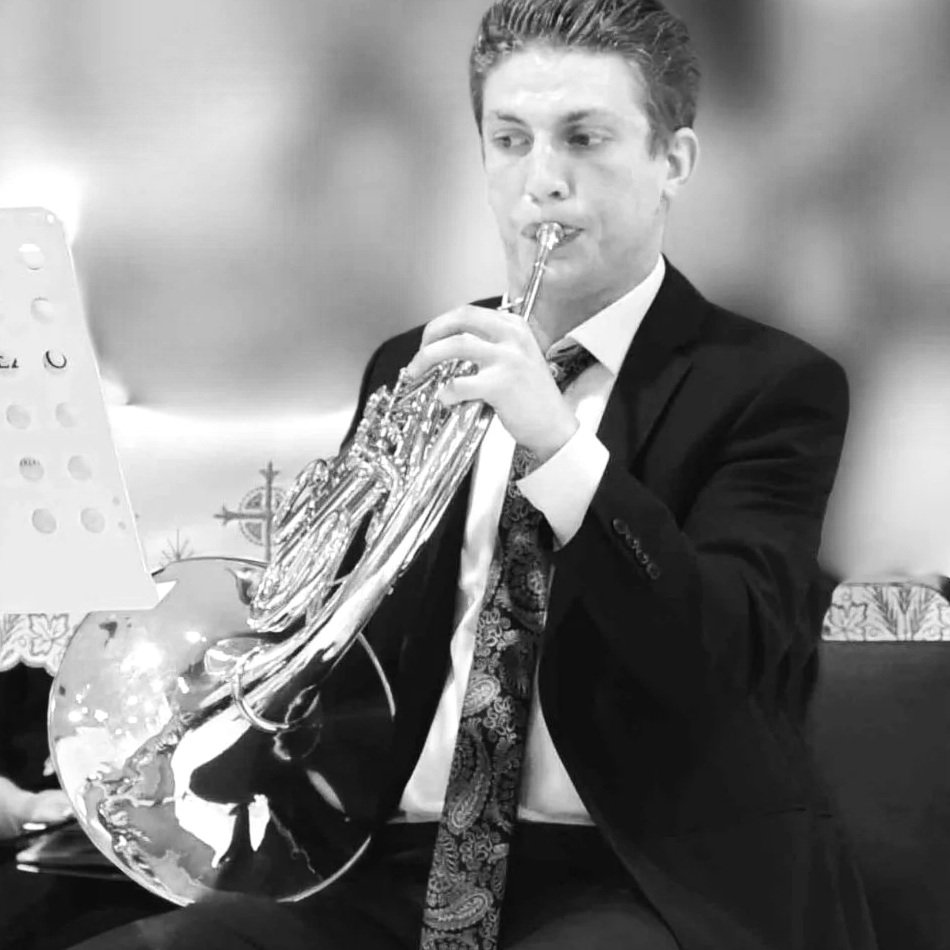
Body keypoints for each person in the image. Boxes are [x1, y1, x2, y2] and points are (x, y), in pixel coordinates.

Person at [71, 0, 877, 947]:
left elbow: (733, 656)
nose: (543, 180)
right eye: (510, 139)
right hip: (390, 858)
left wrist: (561, 450)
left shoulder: (771, 386)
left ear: (674, 162)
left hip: (637, 868)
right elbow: (335, 638)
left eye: (584, 138)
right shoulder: (416, 364)